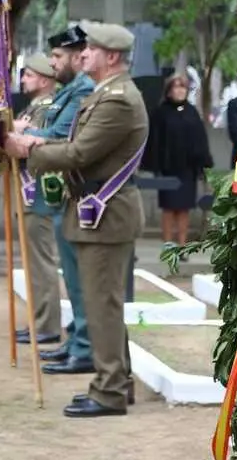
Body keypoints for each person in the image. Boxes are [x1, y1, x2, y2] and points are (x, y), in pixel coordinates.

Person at [8, 21, 148, 418]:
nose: (82, 54)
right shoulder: (107, 93)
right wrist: (35, 143)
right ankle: (118, 382)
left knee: (102, 305)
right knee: (104, 304)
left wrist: (27, 150)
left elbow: (80, 153)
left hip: (106, 215)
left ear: (112, 57)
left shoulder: (118, 99)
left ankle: (108, 391)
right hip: (98, 214)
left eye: (91, 50)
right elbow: (75, 146)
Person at [12, 26, 97, 376]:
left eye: (58, 57)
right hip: (64, 193)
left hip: (73, 192)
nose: (53, 63)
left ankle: (82, 345)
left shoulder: (82, 92)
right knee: (72, 274)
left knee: (78, 277)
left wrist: (20, 135)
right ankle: (76, 341)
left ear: (79, 56)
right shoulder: (70, 91)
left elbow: (59, 135)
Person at [15, 53, 63, 344]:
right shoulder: (32, 108)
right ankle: (39, 321)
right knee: (33, 261)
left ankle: (47, 325)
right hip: (28, 191)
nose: (23, 80)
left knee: (42, 261)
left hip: (40, 191)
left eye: (29, 75)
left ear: (44, 80)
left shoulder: (46, 109)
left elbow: (45, 144)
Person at [142, 71, 213, 247]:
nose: (180, 91)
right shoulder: (161, 112)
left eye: (183, 87)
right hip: (168, 169)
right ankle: (168, 245)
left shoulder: (192, 112)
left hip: (187, 170)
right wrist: (154, 165)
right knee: (168, 208)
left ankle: (181, 246)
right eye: (176, 87)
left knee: (184, 209)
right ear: (169, 91)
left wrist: (204, 164)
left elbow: (200, 140)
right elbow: (154, 141)